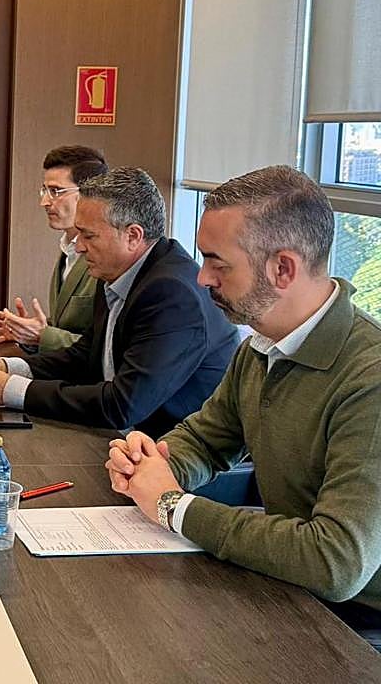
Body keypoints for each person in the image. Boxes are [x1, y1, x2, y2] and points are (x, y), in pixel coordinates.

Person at [106, 166, 381, 645]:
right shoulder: (262, 344)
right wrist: (150, 463)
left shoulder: (369, 379)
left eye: (218, 263)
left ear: (283, 269)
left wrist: (173, 506)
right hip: (289, 589)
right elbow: (206, 438)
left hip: (353, 625)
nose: (202, 276)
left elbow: (337, 562)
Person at [0, 167, 238, 436]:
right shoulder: (119, 271)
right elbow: (85, 357)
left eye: (88, 236)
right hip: (121, 440)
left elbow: (123, 405)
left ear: (133, 236)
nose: (78, 246)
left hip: (169, 454)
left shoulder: (172, 294)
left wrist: (10, 390)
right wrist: (7, 368)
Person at [0, 145, 107, 351]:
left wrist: (42, 335)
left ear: (89, 193)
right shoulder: (67, 247)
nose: (44, 202)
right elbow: (65, 328)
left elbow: (102, 349)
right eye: (45, 190)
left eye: (55, 191)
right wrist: (27, 333)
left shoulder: (106, 257)